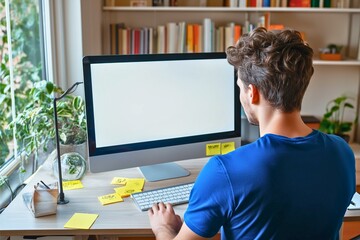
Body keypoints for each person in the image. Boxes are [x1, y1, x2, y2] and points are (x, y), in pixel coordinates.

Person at [148, 27, 356, 239]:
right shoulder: (342, 152)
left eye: (240, 87)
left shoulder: (225, 172)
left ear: (252, 92)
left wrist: (163, 228)